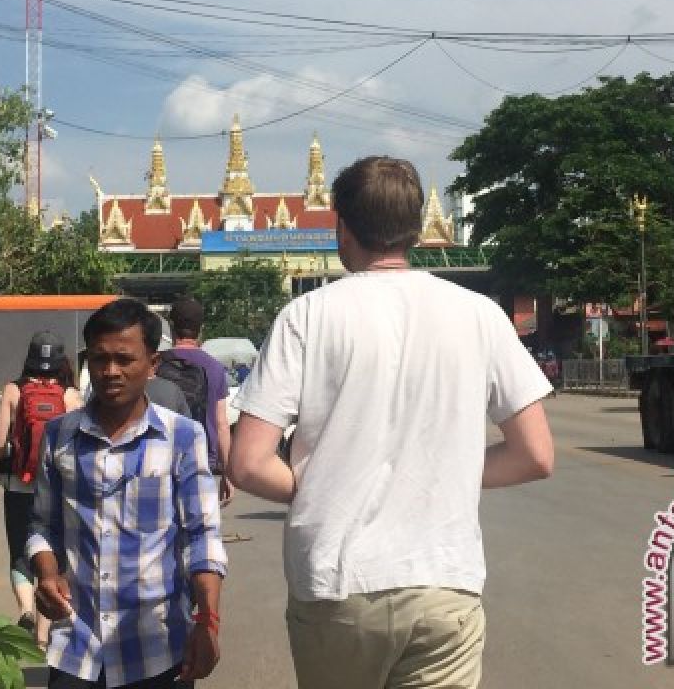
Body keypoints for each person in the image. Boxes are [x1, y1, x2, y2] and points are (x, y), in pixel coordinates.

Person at [228, 156, 555, 689]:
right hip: (442, 582)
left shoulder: (307, 316)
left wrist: (327, 484)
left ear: (343, 226)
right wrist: (436, 474)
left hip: (337, 583)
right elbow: (535, 455)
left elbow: (247, 462)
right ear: (416, 228)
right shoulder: (480, 314)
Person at [28, 298, 227, 689]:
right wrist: (47, 572)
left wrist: (207, 620)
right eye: (100, 360)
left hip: (156, 648)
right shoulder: (60, 436)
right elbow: (42, 523)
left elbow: (202, 538)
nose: (111, 371)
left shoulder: (183, 437)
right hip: (76, 646)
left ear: (152, 365)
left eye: (124, 359)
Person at [0, 331, 83, 649]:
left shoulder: (13, 390)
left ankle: (26, 609)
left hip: (18, 485)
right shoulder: (71, 396)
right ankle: (44, 635)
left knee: (20, 552)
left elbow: (0, 442)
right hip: (57, 488)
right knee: (52, 556)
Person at [163, 297, 232, 504]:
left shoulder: (155, 364)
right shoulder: (215, 368)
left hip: (161, 458)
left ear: (171, 327)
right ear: (201, 328)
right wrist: (227, 473)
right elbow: (221, 425)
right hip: (202, 461)